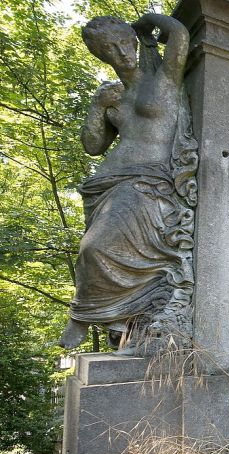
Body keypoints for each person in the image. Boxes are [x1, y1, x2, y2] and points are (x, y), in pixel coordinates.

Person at [60, 14, 197, 353]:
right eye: (110, 49)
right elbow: (93, 146)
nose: (121, 53)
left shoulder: (164, 77)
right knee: (94, 248)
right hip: (109, 182)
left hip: (151, 181)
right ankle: (121, 323)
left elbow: (179, 34)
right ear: (100, 55)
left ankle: (84, 313)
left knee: (96, 248)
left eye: (124, 43)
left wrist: (145, 21)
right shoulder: (111, 95)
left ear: (134, 41)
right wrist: (97, 107)